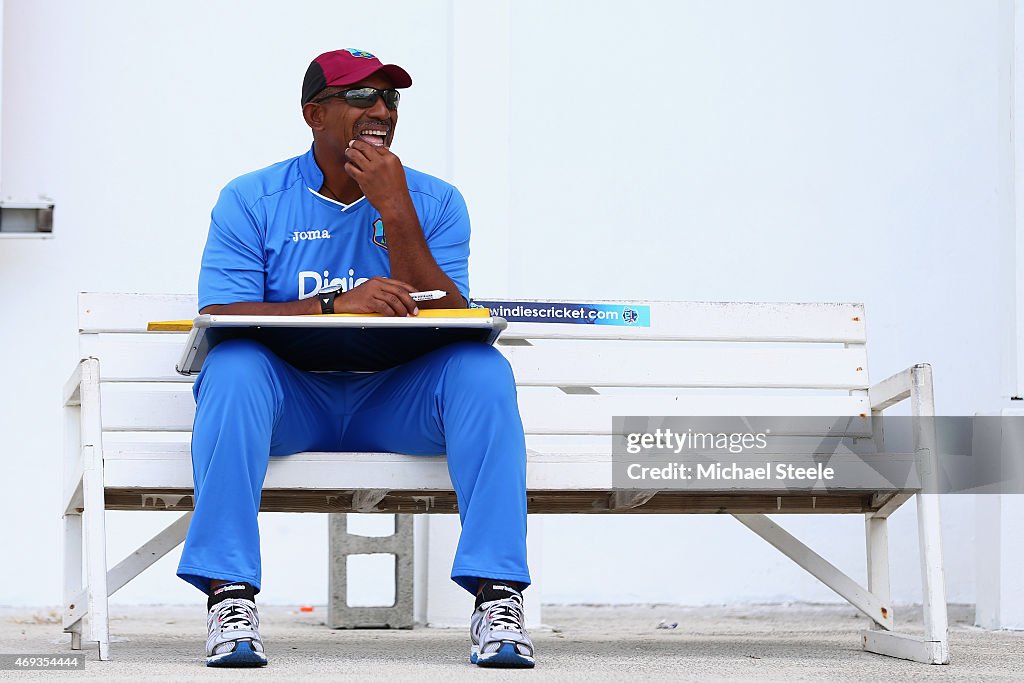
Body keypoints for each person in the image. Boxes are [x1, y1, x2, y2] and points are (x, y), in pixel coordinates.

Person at [177, 48, 535, 669]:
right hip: (292, 398)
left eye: (390, 98)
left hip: (397, 397)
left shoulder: (435, 199)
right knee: (233, 367)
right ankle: (229, 600)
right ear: (315, 114)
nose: (382, 110)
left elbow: (451, 313)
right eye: (361, 96)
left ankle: (497, 600)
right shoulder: (252, 197)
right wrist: (333, 304)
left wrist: (395, 209)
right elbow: (223, 314)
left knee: (483, 371)